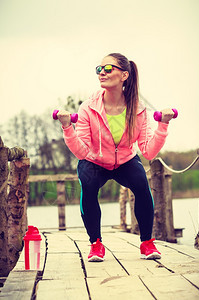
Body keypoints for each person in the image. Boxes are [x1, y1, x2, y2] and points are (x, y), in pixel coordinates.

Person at [57, 53, 175, 262]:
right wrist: (68, 127)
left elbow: (148, 152)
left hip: (125, 160)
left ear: (124, 75)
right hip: (94, 160)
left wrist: (163, 125)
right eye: (99, 69)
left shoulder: (138, 109)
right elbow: (82, 152)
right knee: (89, 185)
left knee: (141, 185)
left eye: (108, 68)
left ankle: (147, 243)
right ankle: (96, 244)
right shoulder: (88, 108)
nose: (102, 72)